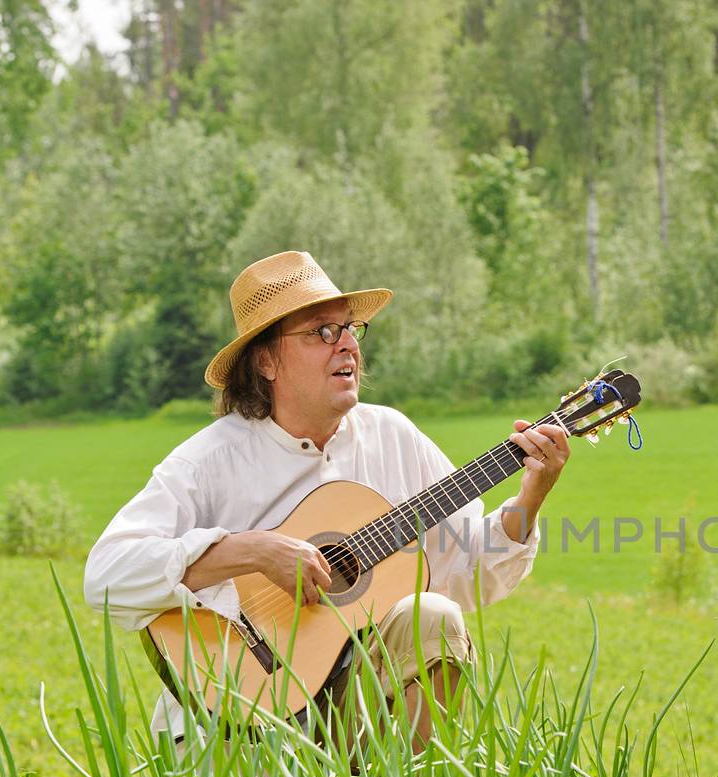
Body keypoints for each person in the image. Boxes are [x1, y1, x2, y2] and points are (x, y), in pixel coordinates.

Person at [84, 250, 569, 749]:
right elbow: (106, 575)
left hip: (358, 700)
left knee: (435, 617)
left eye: (350, 329)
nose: (347, 347)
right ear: (266, 360)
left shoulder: (393, 437)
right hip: (235, 721)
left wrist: (530, 497)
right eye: (321, 332)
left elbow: (469, 575)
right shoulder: (207, 461)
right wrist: (253, 551)